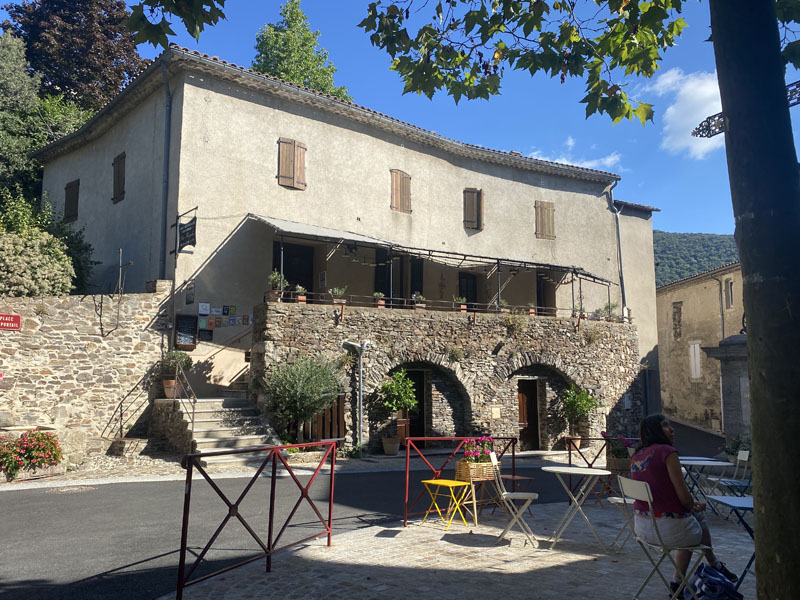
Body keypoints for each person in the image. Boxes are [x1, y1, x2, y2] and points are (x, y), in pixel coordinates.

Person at [630, 414, 737, 594]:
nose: (672, 429)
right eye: (665, 425)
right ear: (655, 430)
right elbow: (685, 498)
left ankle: (681, 581)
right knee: (693, 521)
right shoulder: (667, 452)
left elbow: (662, 493)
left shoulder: (636, 456)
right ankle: (707, 566)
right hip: (669, 531)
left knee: (691, 517)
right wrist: (692, 505)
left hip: (642, 528)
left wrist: (690, 507)